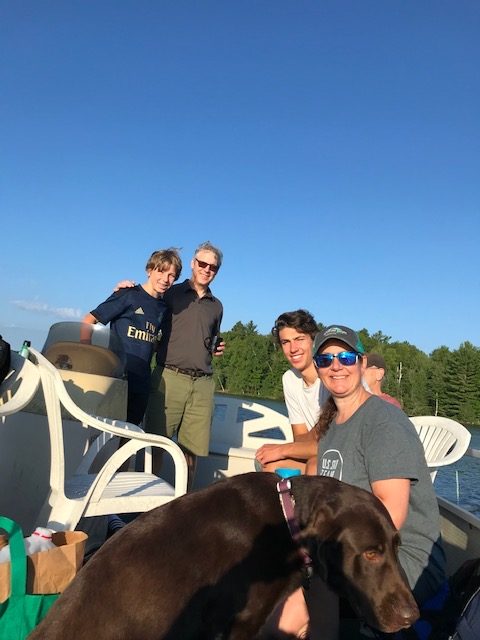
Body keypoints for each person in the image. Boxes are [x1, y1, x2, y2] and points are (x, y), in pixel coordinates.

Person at [267, 324, 446, 639]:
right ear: (319, 370)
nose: (336, 365)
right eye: (325, 360)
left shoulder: (383, 422)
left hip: (396, 553)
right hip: (352, 548)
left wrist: (322, 558)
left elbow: (392, 514)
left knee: (282, 617)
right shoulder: (333, 427)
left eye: (346, 357)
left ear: (362, 364)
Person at [143, 241, 224, 489]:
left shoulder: (217, 306)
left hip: (202, 384)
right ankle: (141, 505)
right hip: (169, 376)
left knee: (191, 451)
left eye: (212, 266)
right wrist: (125, 288)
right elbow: (145, 302)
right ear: (192, 264)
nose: (206, 269)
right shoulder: (170, 293)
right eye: (202, 263)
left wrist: (217, 347)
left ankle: (184, 503)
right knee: (156, 445)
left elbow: (211, 339)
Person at [81, 248, 182, 425]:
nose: (165, 279)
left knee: (130, 433)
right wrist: (86, 354)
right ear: (149, 270)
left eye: (171, 275)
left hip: (142, 381)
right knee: (102, 429)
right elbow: (89, 320)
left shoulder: (164, 308)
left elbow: (153, 341)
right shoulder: (128, 293)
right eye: (161, 271)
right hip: (117, 376)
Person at [255, 310, 329, 474]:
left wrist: (282, 449)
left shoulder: (331, 376)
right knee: (267, 464)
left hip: (341, 458)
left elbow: (333, 444)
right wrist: (319, 432)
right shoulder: (290, 379)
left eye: (299, 339)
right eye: (286, 342)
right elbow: (300, 440)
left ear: (313, 341)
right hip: (315, 454)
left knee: (314, 466)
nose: (293, 348)